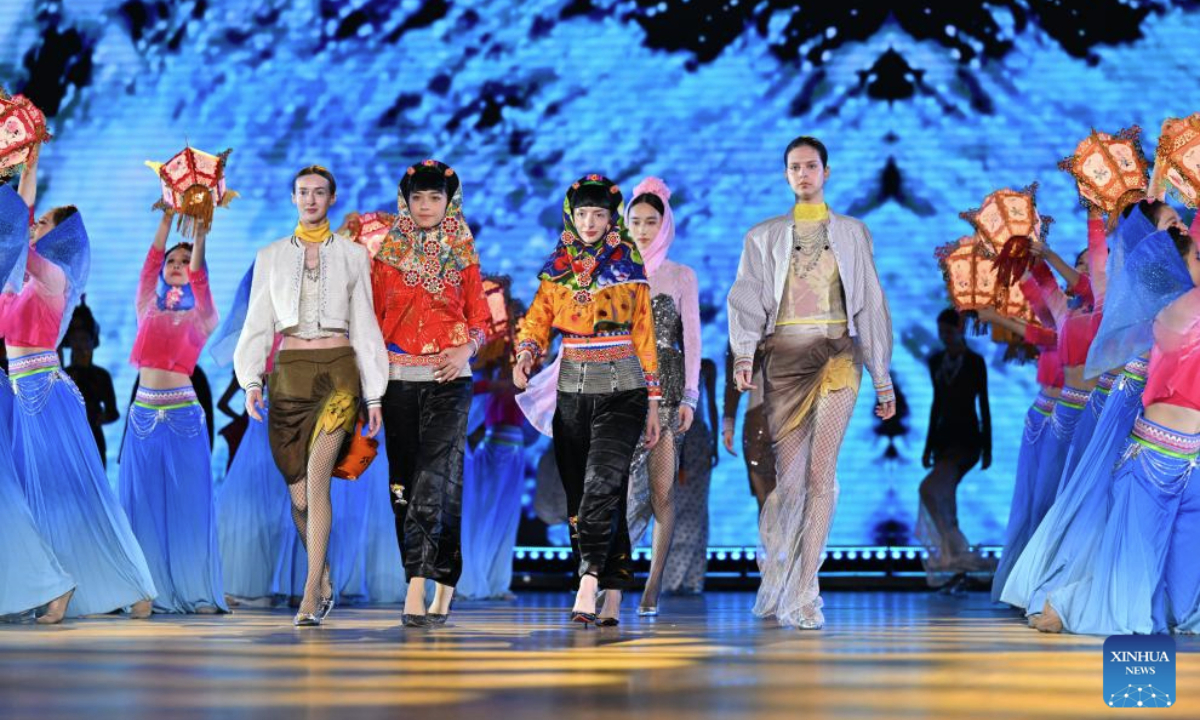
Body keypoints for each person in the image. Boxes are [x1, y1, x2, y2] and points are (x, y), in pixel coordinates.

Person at [727, 136, 894, 630]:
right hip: (784, 357)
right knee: (792, 479)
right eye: (795, 167)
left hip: (840, 355)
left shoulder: (853, 233)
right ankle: (778, 576)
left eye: (812, 166)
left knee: (822, 475)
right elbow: (747, 299)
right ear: (785, 175)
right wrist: (742, 354)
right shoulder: (762, 236)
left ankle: (805, 591)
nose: (804, 174)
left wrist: (882, 378)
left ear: (826, 171)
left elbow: (871, 304)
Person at [2, 150, 157, 619]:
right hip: (20, 393)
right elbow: (11, 239)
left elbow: (13, 234)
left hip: (46, 393)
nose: (34, 228)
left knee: (81, 493)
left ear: (63, 234)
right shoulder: (19, 282)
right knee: (37, 496)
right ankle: (54, 584)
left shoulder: (53, 275)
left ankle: (135, 584)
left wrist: (27, 173)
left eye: (44, 223)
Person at [233, 165, 387, 626]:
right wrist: (251, 381)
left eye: (320, 192)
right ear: (294, 198)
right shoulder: (272, 256)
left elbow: (364, 324)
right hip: (290, 376)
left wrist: (374, 394)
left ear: (332, 199)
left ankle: (308, 594)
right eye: (304, 192)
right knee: (299, 497)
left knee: (318, 481)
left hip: (338, 374)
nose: (311, 199)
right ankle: (323, 576)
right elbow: (257, 323)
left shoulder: (355, 256)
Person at [514, 173, 661, 627]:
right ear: (571, 216)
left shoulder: (629, 264)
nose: (591, 222)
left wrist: (654, 401)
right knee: (587, 497)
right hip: (572, 388)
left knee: (602, 482)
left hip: (625, 387)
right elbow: (537, 320)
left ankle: (587, 580)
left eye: (599, 214)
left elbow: (645, 333)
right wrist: (525, 354)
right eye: (582, 214)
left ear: (611, 216)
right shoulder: (557, 268)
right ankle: (614, 594)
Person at [1039, 223, 1200, 635]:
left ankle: (1079, 599)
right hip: (1151, 461)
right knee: (1132, 597)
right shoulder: (1168, 312)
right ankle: (1071, 602)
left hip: (1193, 463)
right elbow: (1112, 263)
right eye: (1197, 258)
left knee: (1182, 604)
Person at [371, 159, 489, 626]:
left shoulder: (462, 248)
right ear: (405, 199)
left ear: (449, 201)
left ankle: (416, 587)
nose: (425, 206)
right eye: (417, 197)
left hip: (449, 382)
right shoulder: (385, 253)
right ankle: (445, 578)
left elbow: (480, 318)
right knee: (404, 487)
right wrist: (370, 392)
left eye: (434, 198)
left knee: (433, 482)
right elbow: (372, 323)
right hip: (397, 381)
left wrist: (468, 350)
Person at [117, 208, 226, 614]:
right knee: (141, 503)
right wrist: (166, 220)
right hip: (143, 415)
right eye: (172, 261)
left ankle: (196, 589)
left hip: (182, 416)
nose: (177, 266)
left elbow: (201, 276)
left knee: (189, 505)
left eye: (184, 261)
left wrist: (200, 235)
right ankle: (145, 591)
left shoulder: (203, 314)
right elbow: (149, 264)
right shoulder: (147, 305)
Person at [622, 177, 701, 616]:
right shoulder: (613, 271)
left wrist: (690, 397)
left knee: (661, 494)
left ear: (665, 223)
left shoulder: (681, 275)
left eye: (652, 221)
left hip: (668, 392)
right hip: (620, 389)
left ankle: (652, 586)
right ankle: (605, 576)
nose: (644, 230)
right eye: (635, 221)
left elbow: (692, 339)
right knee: (614, 493)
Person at [916, 308, 993, 584]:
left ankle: (955, 555)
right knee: (943, 497)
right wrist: (927, 447)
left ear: (960, 330)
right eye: (941, 332)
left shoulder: (975, 361)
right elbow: (936, 404)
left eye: (948, 331)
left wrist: (987, 447)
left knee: (930, 489)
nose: (944, 337)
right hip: (943, 438)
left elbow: (983, 403)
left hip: (967, 438)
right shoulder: (936, 360)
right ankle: (954, 559)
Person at [661, 356, 720, 596]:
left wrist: (715, 442)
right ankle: (673, 580)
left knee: (698, 512)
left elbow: (712, 405)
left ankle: (693, 580)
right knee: (678, 510)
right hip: (675, 437)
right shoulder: (672, 364)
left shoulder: (706, 365)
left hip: (698, 439)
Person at [61, 299, 119, 466]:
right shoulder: (63, 376)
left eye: (84, 338)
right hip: (69, 440)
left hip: (94, 439)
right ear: (69, 341)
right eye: (75, 338)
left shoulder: (101, 376)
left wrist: (100, 418)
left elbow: (112, 412)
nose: (79, 344)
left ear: (93, 341)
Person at [722, 343, 776, 511]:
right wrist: (728, 424)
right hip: (758, 425)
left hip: (787, 422)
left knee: (783, 502)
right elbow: (733, 383)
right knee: (767, 502)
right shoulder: (741, 331)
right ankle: (772, 537)